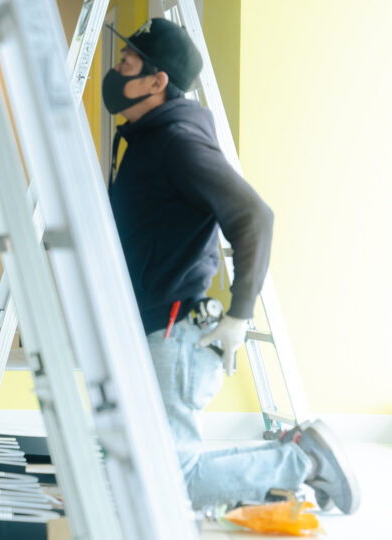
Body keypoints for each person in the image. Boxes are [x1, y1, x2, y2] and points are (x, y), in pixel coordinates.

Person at [103, 18, 359, 513]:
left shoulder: (176, 141)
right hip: (158, 324)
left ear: (157, 81)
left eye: (126, 63)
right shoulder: (148, 139)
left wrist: (240, 317)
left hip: (172, 330)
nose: (116, 71)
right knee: (163, 466)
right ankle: (299, 455)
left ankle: (303, 464)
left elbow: (254, 216)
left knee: (171, 484)